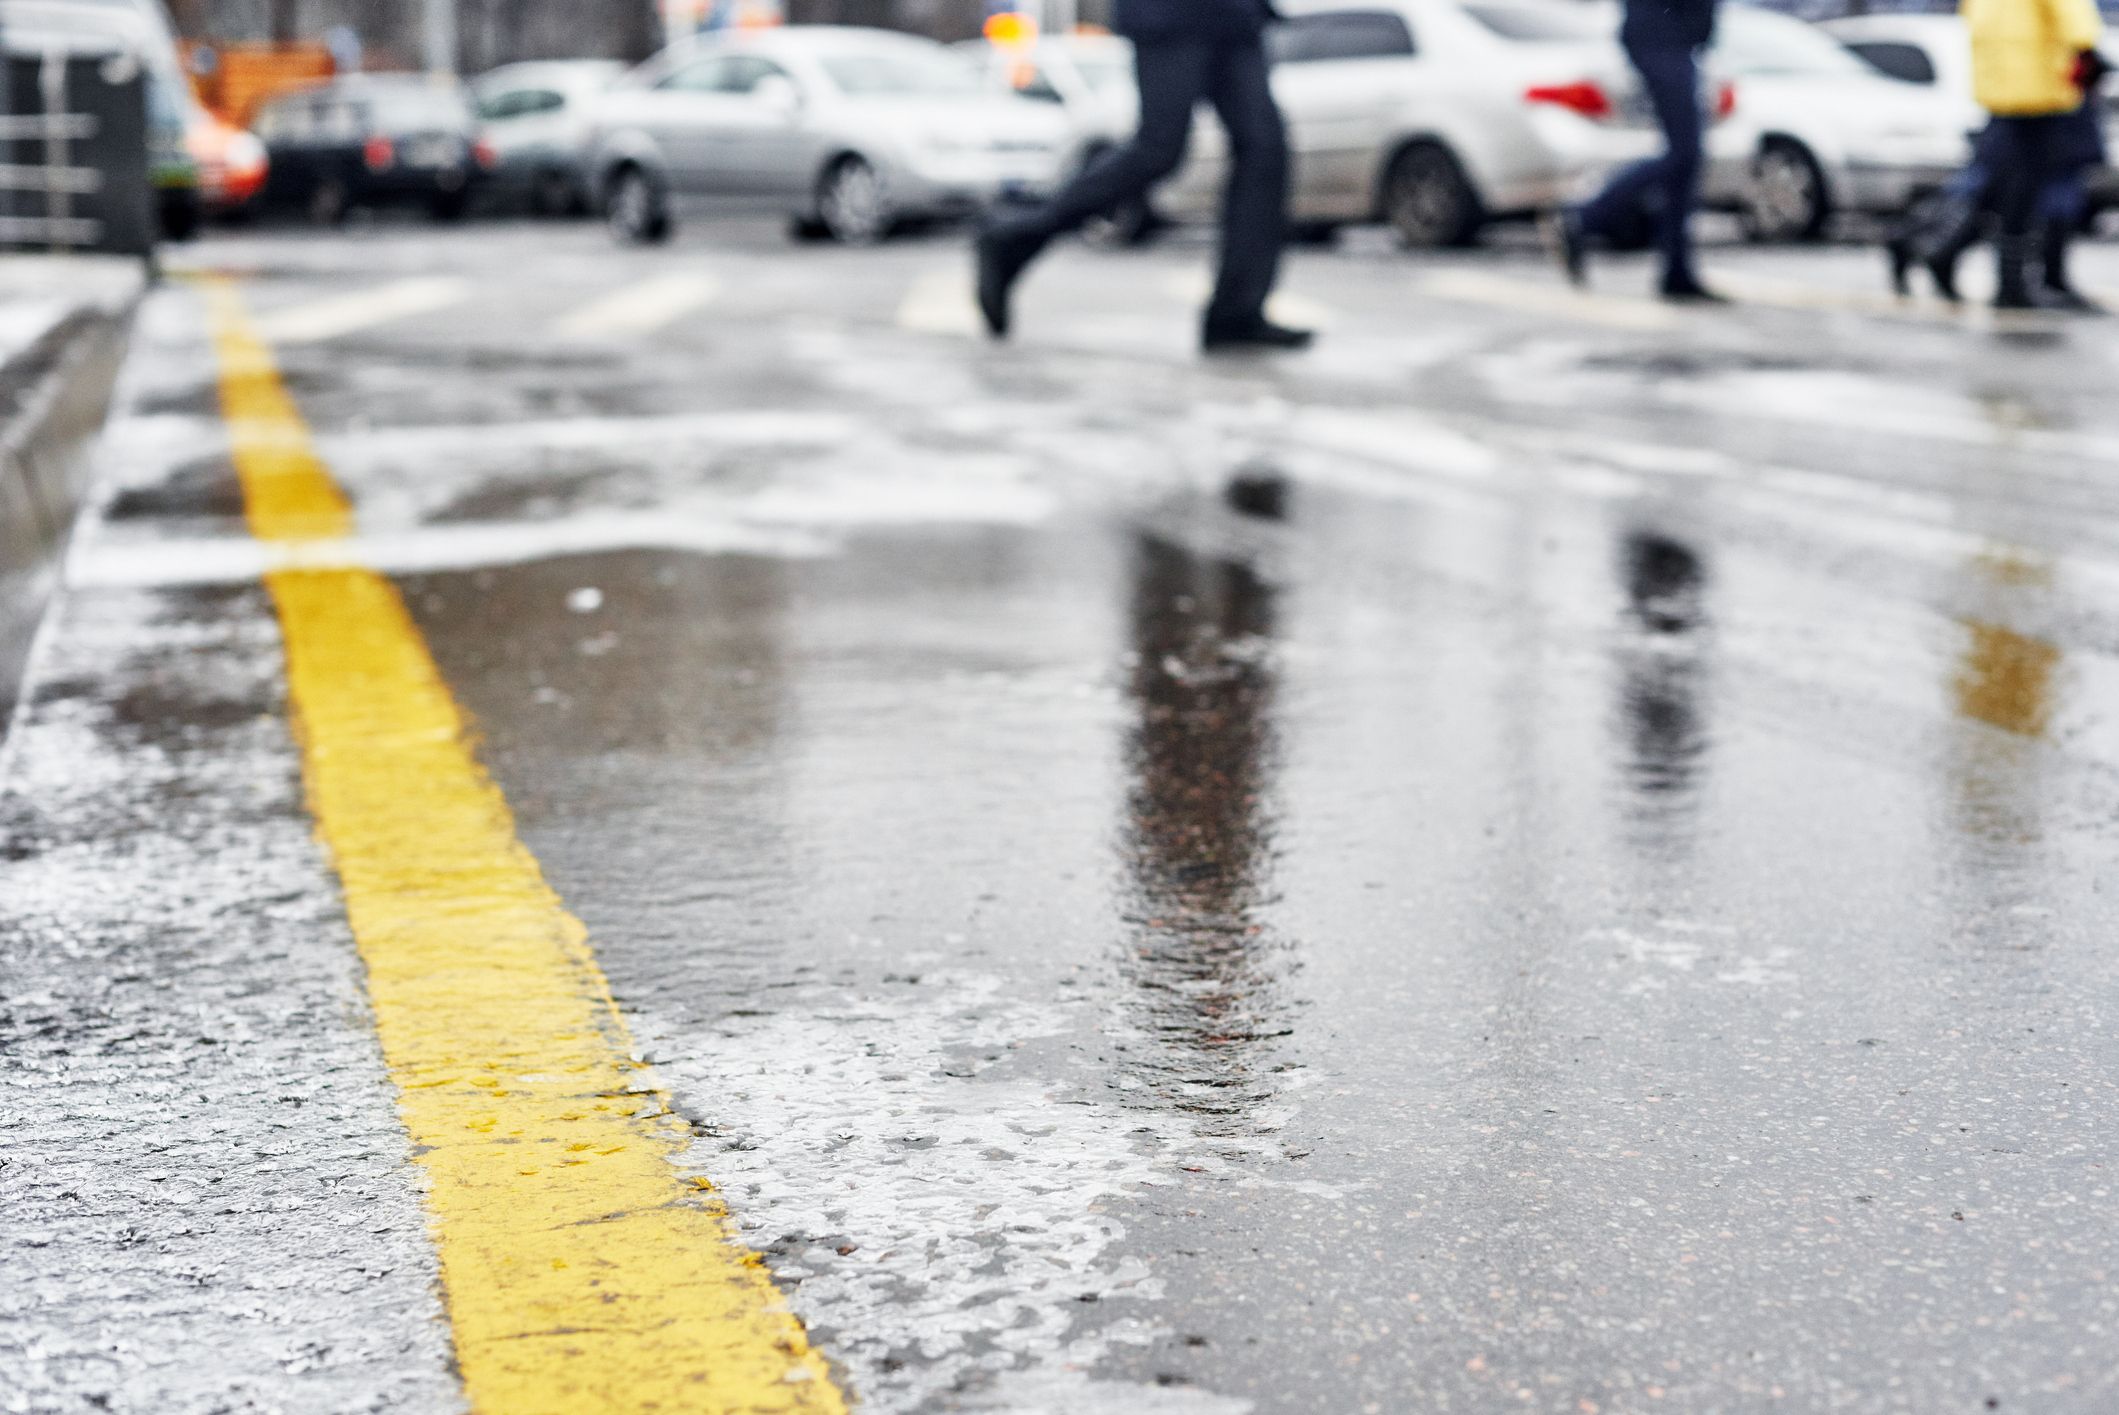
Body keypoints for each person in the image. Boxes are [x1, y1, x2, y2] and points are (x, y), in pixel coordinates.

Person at [972, 0, 1310, 352]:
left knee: (1264, 149)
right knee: (1159, 148)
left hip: (1235, 14)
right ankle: (1013, 235)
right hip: (1170, 14)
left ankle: (1237, 311)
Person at [1547, 0, 1723, 302]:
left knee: (1684, 159)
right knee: (1685, 153)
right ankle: (1582, 217)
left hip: (1672, 38)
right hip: (1661, 38)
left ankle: (1677, 270)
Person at [1960, 0, 2104, 308]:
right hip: (2041, 90)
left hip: (2004, 90)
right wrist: (2088, 49)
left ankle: (2009, 280)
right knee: (2025, 190)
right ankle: (2015, 283)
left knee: (2004, 186)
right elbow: (2072, 14)